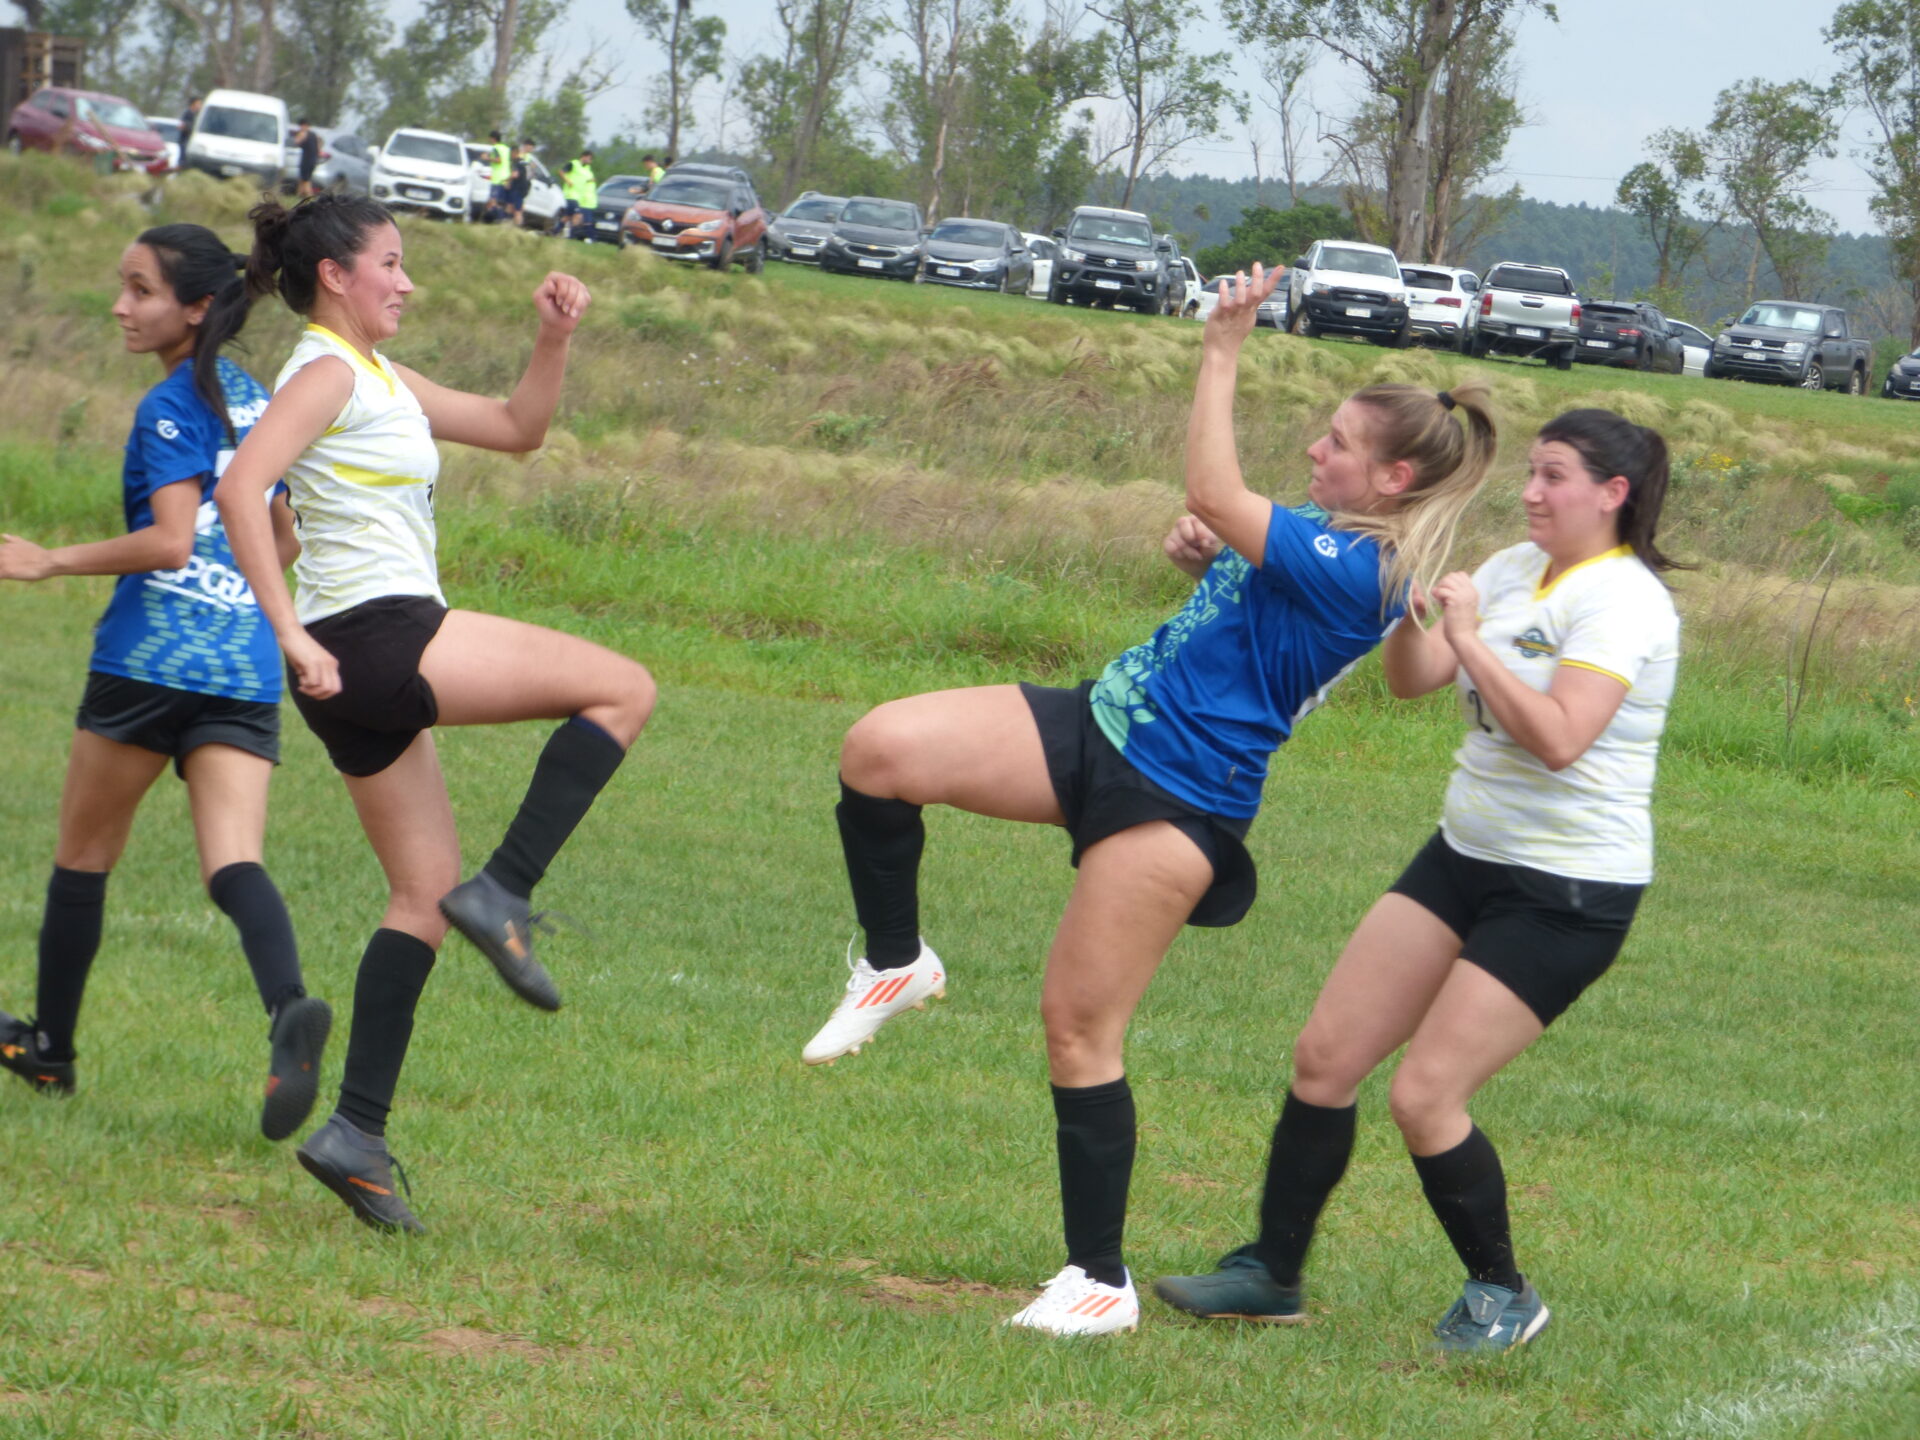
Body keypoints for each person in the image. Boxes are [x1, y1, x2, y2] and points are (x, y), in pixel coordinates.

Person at [802, 264, 1498, 1335]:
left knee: (1078, 1028)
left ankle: (1098, 1281)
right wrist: (1208, 560)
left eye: (1337, 443)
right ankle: (897, 961)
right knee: (879, 748)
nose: (1315, 450)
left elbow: (1219, 494)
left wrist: (1223, 347)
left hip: (1178, 798)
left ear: (1394, 476)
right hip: (1103, 724)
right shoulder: (1326, 536)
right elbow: (1264, 590)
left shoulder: (1358, 562)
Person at [1154, 408, 1682, 1354]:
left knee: (1426, 1095)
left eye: (1554, 476)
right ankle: (1271, 1274)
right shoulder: (1517, 567)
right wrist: (1412, 616)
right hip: (1462, 855)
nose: (1531, 492)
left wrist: (1471, 638)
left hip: (1565, 891)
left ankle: (1503, 1293)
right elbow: (1414, 679)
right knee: (1326, 1058)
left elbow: (1561, 738)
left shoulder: (1626, 602)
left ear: (1614, 493)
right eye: (1530, 471)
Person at [217, 196, 654, 1234]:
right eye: (391, 263)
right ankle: (505, 892)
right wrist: (290, 633)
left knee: (419, 894)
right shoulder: (325, 372)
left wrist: (553, 339)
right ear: (337, 276)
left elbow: (517, 430)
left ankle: (356, 1135)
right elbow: (241, 492)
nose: (406, 282)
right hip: (375, 636)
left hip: (353, 661)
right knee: (623, 689)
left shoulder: (379, 376)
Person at [0, 223, 330, 1142]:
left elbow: (172, 540)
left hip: (150, 661)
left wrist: (48, 560)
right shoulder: (260, 401)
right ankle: (289, 1008)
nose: (121, 306)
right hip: (243, 663)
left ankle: (50, 1048)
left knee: (84, 857)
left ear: (195, 308)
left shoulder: (170, 404)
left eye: (140, 290)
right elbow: (287, 537)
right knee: (234, 864)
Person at [505, 139, 534, 226]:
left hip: (518, 188)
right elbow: (530, 173)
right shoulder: (524, 161)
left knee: (517, 210)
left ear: (514, 153)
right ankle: (507, 224)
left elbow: (515, 174)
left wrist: (507, 180)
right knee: (511, 206)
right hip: (523, 187)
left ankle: (517, 226)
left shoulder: (517, 161)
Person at [484, 129, 511, 221]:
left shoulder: (495, 148)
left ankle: (497, 219)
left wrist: (487, 158)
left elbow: (498, 160)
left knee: (493, 201)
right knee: (500, 202)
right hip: (506, 178)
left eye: (490, 138)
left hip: (497, 178)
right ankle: (501, 220)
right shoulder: (506, 148)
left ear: (493, 139)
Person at [293, 119, 322, 199]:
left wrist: (299, 135)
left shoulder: (304, 134)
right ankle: (299, 194)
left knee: (306, 179)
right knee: (302, 178)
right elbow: (319, 144)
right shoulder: (314, 135)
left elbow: (296, 142)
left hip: (307, 159)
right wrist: (319, 152)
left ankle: (309, 196)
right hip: (312, 159)